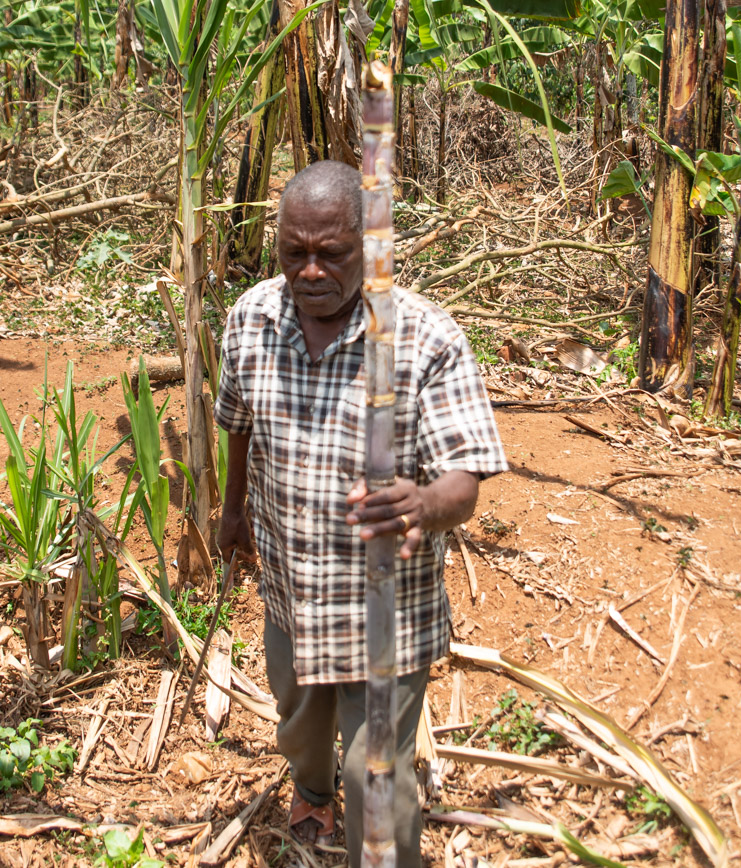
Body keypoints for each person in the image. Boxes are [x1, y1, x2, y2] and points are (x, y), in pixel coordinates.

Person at [214, 160, 507, 866]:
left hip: (385, 610)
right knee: (300, 731)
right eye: (294, 253)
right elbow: (239, 423)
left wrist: (423, 503)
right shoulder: (250, 319)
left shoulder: (426, 342)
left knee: (374, 779)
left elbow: (464, 483)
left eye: (332, 254)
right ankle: (309, 792)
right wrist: (233, 510)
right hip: (292, 590)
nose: (310, 271)